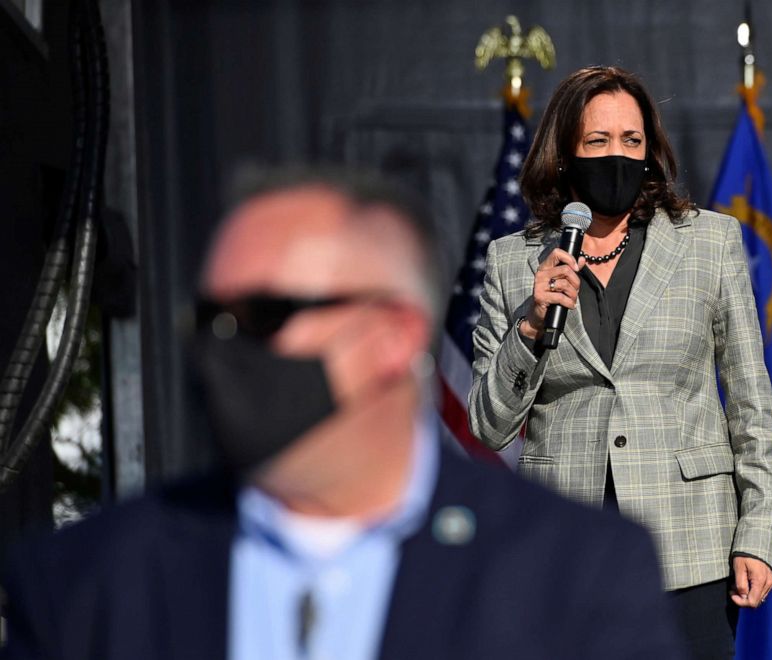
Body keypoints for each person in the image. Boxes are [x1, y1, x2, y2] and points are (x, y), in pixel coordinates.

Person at [1, 168, 686, 660]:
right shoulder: (85, 583)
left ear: (393, 338)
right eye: (212, 319)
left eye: (266, 316)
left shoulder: (572, 576)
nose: (224, 349)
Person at [468, 66, 772, 658]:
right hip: (564, 552)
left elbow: (752, 402)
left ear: (650, 150)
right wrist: (532, 325)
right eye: (598, 142)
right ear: (564, 154)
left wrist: (759, 535)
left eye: (631, 141)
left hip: (692, 549)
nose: (617, 155)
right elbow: (489, 424)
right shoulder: (515, 262)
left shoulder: (707, 242)